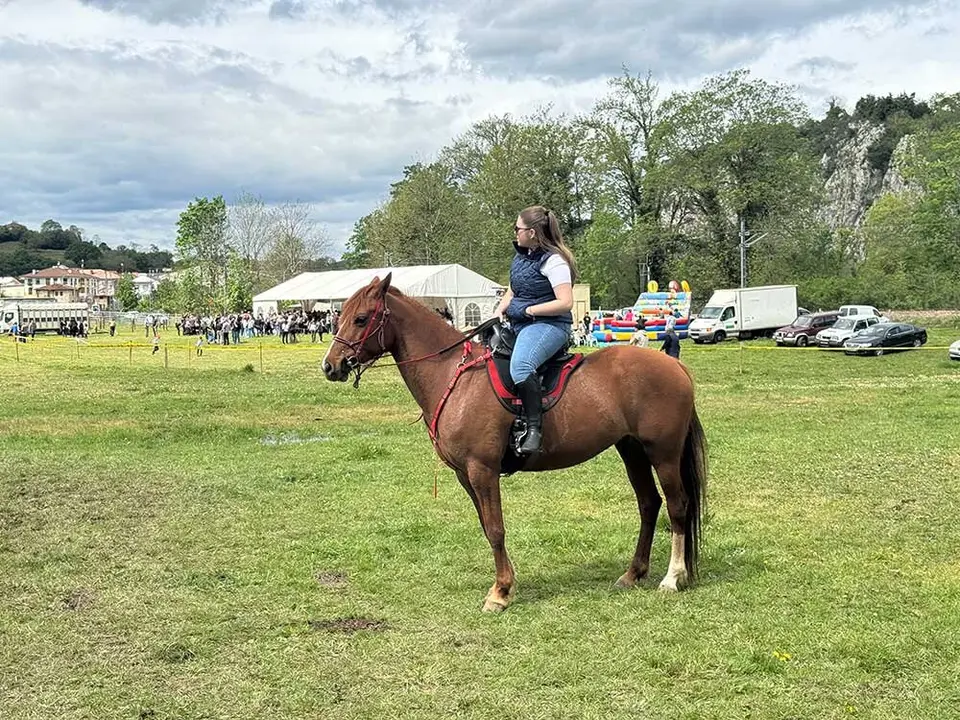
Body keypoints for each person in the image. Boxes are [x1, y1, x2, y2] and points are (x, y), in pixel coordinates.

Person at [493, 205, 576, 456]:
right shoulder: (522, 257)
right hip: (519, 323)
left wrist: (530, 311)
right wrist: (501, 307)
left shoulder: (554, 261)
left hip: (548, 325)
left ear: (532, 232)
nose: (514, 233)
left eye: (517, 228)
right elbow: (515, 288)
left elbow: (565, 302)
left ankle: (534, 430)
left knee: (521, 366)